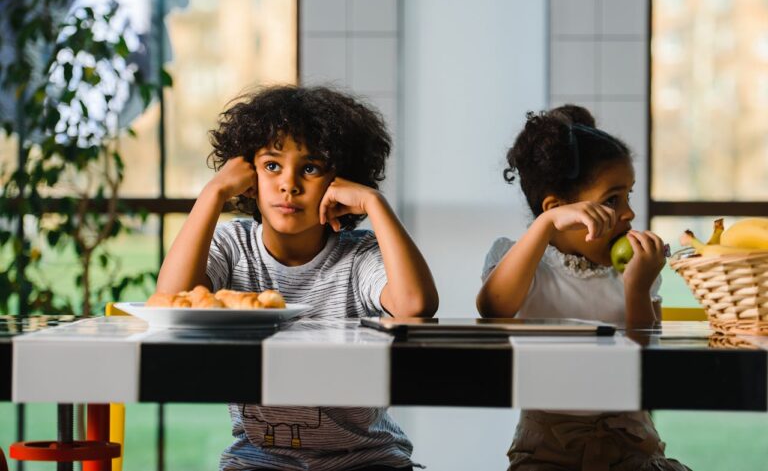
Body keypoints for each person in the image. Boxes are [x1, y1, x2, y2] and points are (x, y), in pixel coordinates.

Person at [156, 85, 438, 471]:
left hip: (367, 460)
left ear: (341, 181)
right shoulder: (233, 245)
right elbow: (173, 300)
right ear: (248, 178)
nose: (289, 184)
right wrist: (213, 193)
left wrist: (375, 202)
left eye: (310, 168)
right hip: (259, 459)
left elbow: (416, 305)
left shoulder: (359, 255)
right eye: (272, 165)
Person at [476, 105, 690, 471]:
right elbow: (493, 307)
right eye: (612, 200)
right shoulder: (525, 263)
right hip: (546, 451)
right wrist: (543, 227)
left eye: (628, 196)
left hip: (633, 446)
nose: (629, 214)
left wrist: (637, 290)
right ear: (558, 210)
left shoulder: (634, 273)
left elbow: (645, 368)